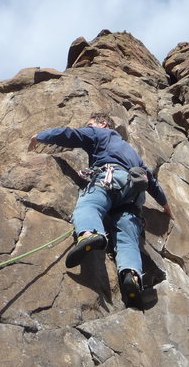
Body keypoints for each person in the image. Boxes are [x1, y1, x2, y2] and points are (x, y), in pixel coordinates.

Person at [29, 112, 172, 308]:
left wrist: (41, 136)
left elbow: (71, 135)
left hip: (109, 178)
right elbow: (151, 181)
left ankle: (89, 234)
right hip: (133, 194)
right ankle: (131, 277)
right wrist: (165, 205)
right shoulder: (131, 151)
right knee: (127, 237)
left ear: (102, 123)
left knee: (89, 205)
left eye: (91, 124)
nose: (89, 127)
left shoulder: (100, 134)